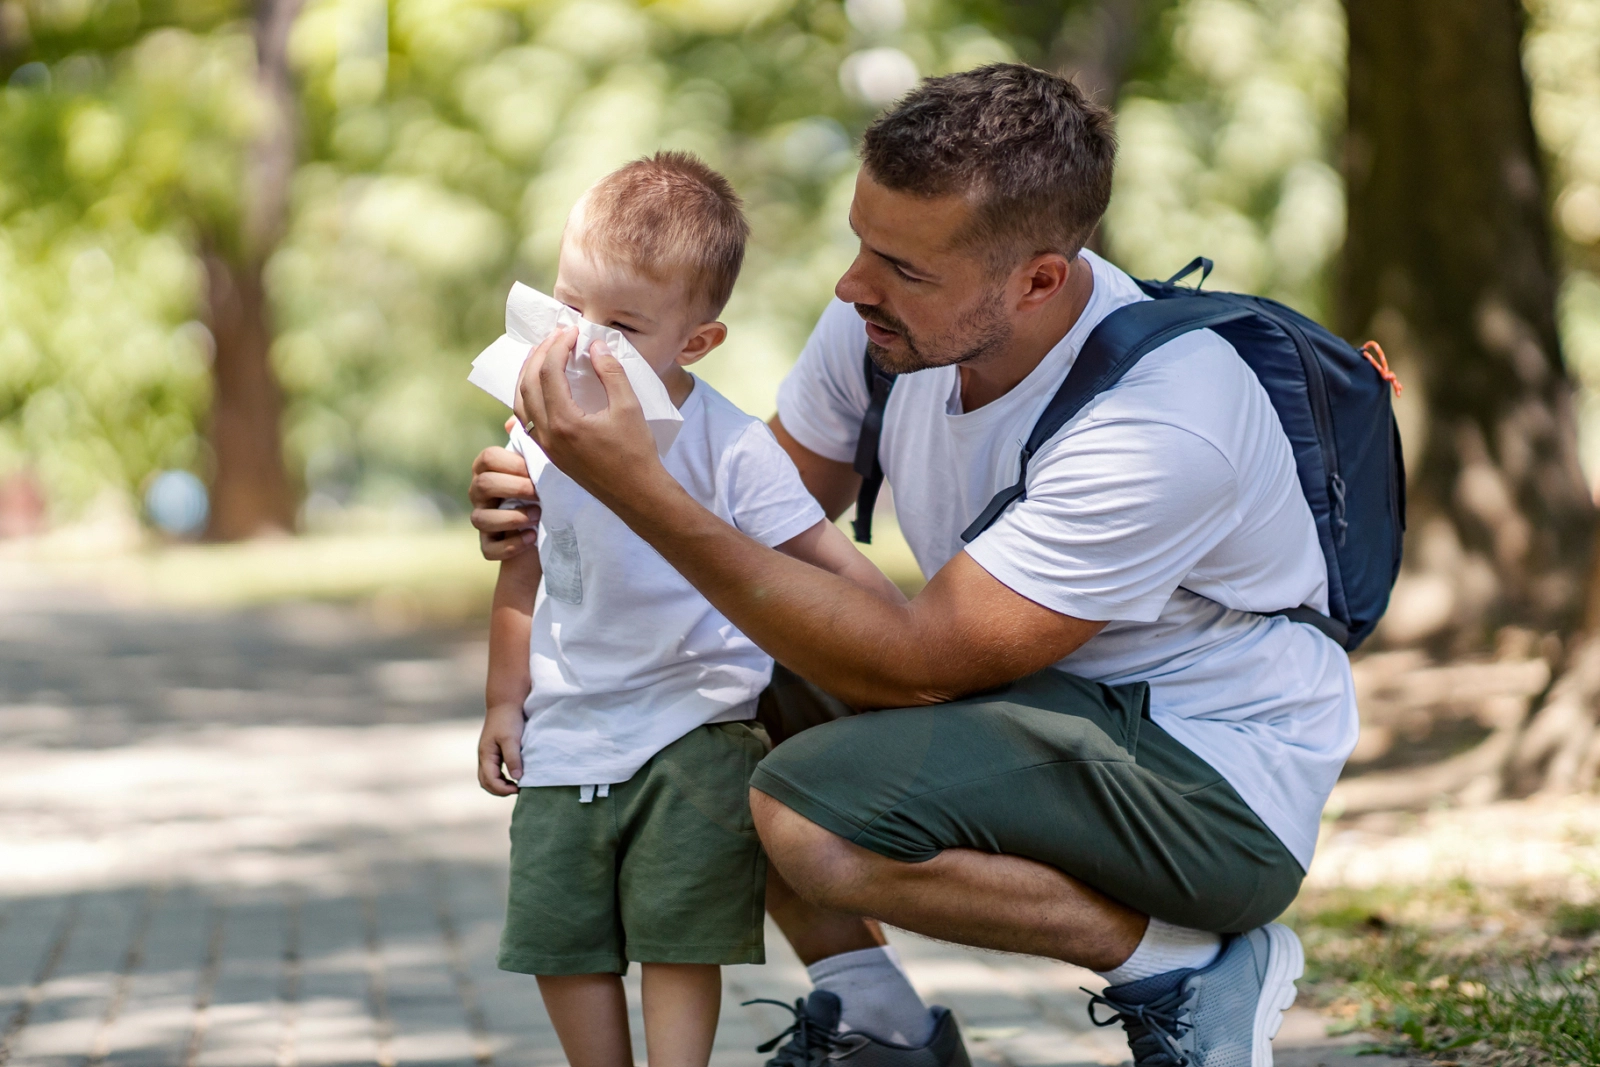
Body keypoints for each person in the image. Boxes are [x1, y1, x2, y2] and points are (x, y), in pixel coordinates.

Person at [472, 66, 1358, 1067]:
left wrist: (637, 488)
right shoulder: (880, 330)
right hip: (1041, 715)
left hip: (1206, 784)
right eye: (861, 241)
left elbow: (920, 660)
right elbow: (745, 524)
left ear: (1035, 280)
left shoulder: (1162, 421)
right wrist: (555, 499)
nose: (852, 284)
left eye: (902, 266)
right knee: (718, 686)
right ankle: (878, 1021)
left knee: (811, 813)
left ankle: (1184, 965)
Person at [477, 151, 912, 1067]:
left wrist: (898, 655)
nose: (585, 343)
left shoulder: (732, 448)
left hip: (696, 729)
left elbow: (842, 572)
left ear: (695, 341)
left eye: (624, 325)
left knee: (681, 934)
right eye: (569, 307)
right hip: (566, 729)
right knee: (563, 937)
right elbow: (523, 572)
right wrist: (501, 702)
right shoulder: (542, 425)